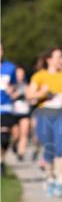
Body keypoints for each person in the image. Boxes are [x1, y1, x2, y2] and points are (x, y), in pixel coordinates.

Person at [26, 46, 62, 196]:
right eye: (58, 57)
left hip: (61, 114)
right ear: (49, 59)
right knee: (49, 148)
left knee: (60, 147)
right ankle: (50, 179)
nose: (61, 60)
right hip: (44, 114)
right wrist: (42, 93)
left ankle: (59, 182)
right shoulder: (40, 76)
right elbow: (29, 96)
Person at [0, 43, 18, 175]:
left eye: (1, 49)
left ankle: (1, 160)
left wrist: (12, 89)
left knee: (5, 138)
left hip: (5, 107)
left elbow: (15, 85)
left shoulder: (10, 67)